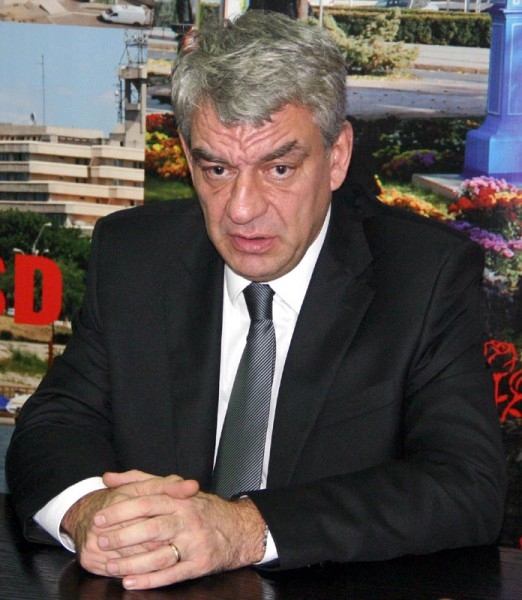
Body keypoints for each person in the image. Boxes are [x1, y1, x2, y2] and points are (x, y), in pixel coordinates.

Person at [6, 10, 506, 591]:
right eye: (217, 169)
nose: (242, 209)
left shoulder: (423, 276)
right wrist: (88, 511)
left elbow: (465, 484)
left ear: (337, 156)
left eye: (279, 168)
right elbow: (54, 424)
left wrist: (244, 529)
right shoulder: (136, 255)